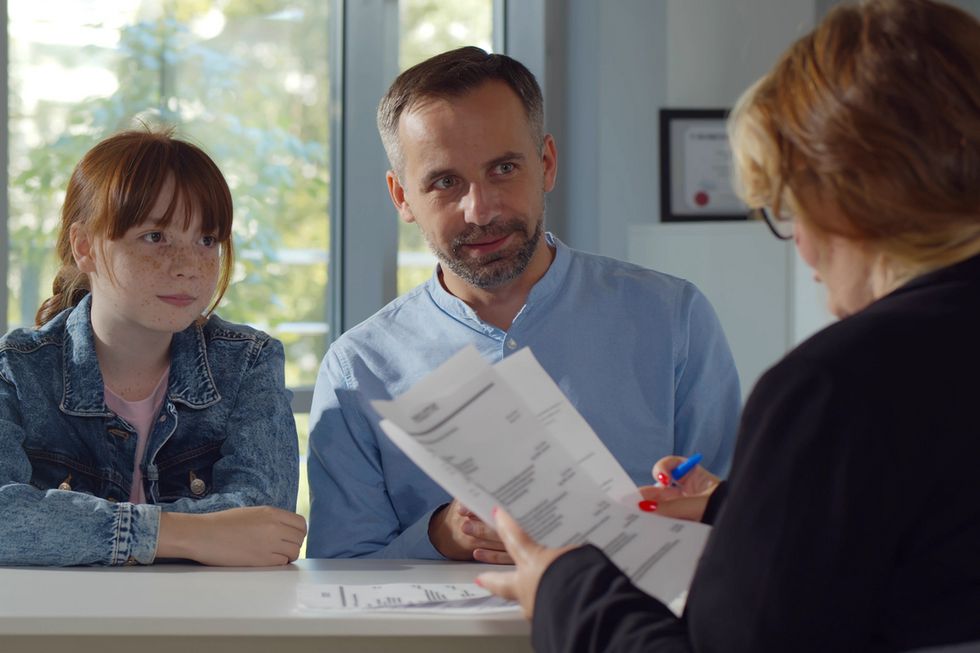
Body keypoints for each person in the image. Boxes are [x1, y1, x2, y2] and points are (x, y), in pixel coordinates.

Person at [478, 0, 980, 649]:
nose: (800, 247)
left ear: (846, 195)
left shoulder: (832, 389)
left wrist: (562, 584)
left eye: (788, 208)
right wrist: (742, 509)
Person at [306, 47, 741, 562]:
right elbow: (338, 569)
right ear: (401, 196)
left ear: (546, 164)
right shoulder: (358, 368)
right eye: (445, 182)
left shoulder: (673, 319)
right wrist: (440, 536)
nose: (480, 210)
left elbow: (744, 525)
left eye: (504, 168)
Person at [0, 129, 307, 567]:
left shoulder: (248, 363)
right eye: (155, 237)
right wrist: (175, 533)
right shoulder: (17, 370)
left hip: (207, 612)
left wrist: (71, 530)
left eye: (206, 240)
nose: (187, 266)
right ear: (85, 247)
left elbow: (268, 527)